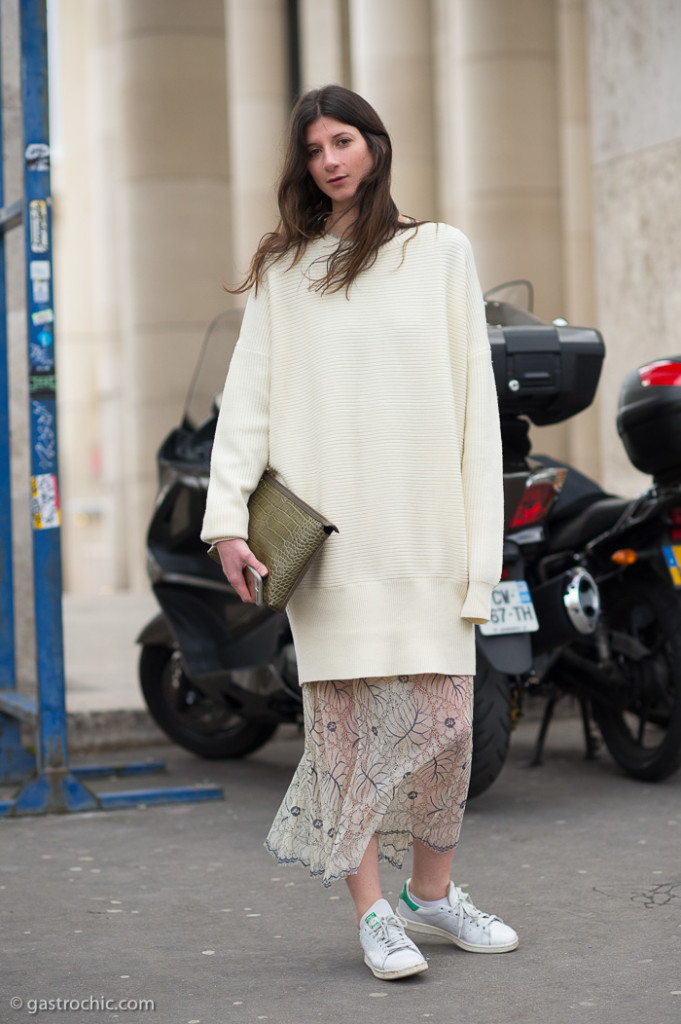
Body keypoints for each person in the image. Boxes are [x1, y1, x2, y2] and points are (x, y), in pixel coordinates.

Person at [201, 84, 518, 981]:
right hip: (335, 546)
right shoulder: (285, 271)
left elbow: (474, 411)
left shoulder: (440, 251)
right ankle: (373, 914)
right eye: (313, 150)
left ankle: (431, 894)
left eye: (343, 141)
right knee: (343, 736)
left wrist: (478, 551)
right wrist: (227, 521)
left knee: (446, 727)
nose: (329, 161)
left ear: (375, 146)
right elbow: (247, 408)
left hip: (427, 533)